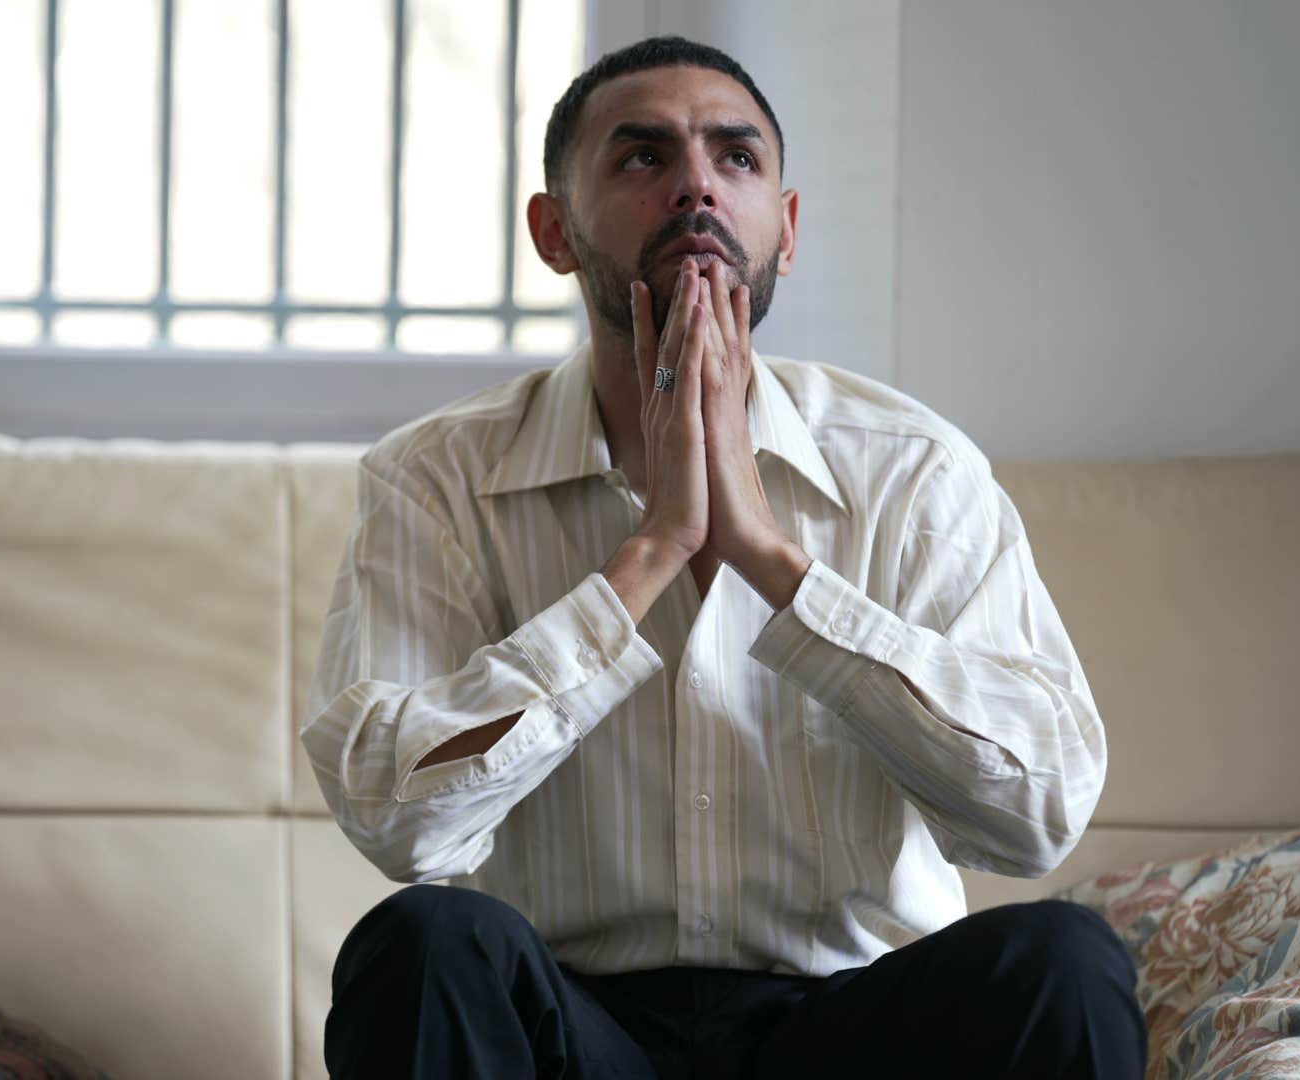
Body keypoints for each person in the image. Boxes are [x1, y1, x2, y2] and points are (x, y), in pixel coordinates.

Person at [298, 34, 1147, 1080]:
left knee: (1065, 962)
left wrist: (777, 564)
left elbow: (1039, 812)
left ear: (784, 232)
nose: (697, 184)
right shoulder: (433, 477)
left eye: (736, 159)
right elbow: (396, 814)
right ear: (553, 232)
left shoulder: (916, 471)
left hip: (851, 1029)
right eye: (643, 157)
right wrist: (648, 556)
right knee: (423, 946)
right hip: (570, 1033)